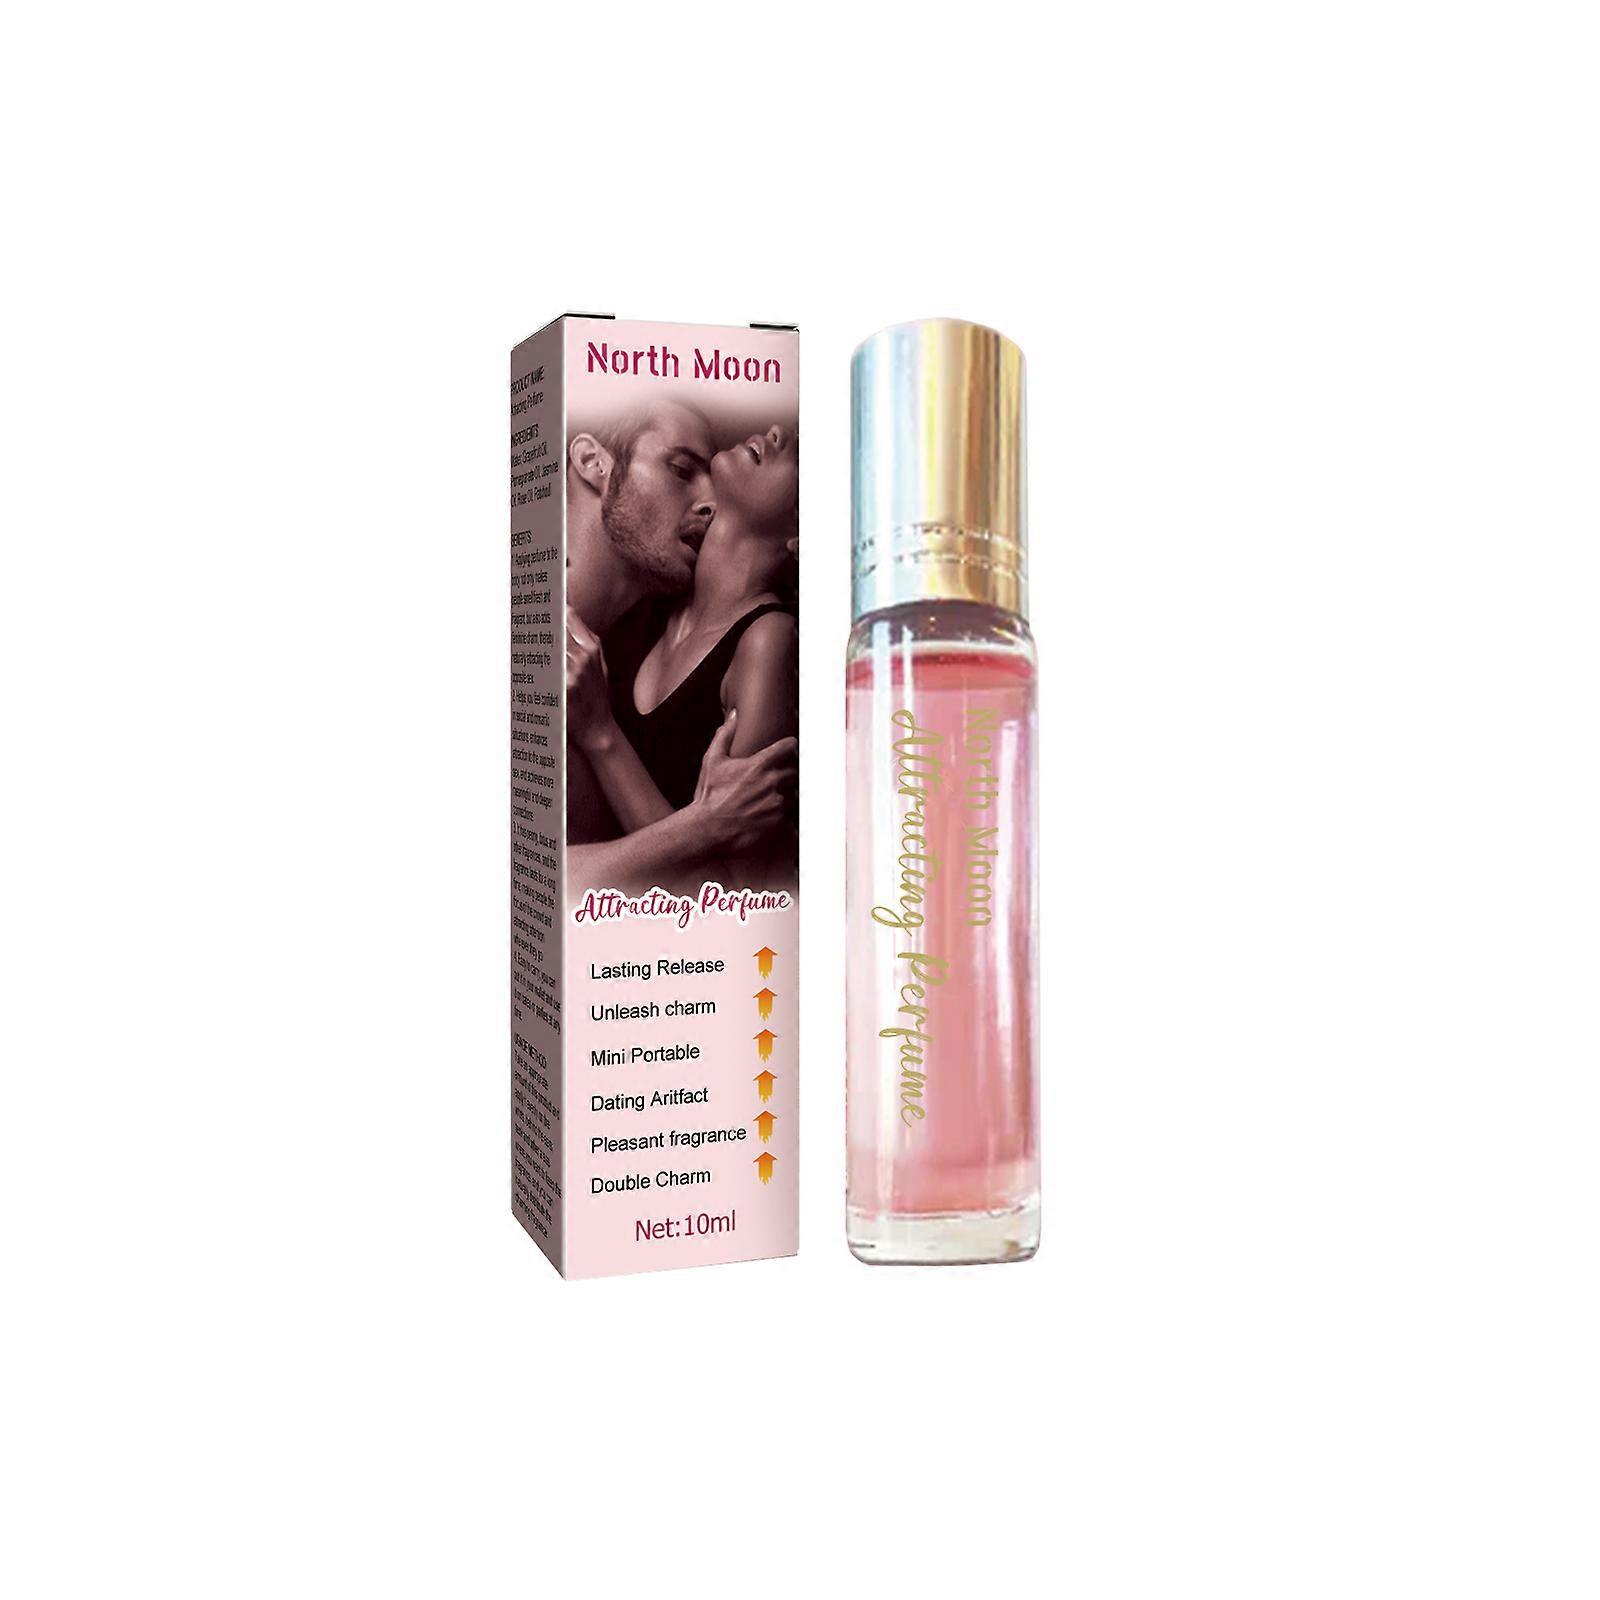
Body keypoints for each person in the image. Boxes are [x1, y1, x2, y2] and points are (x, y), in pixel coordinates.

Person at [562, 402, 796, 893]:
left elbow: (740, 887)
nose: (707, 503)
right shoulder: (633, 629)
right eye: (682, 470)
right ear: (590, 463)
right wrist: (707, 823)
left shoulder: (762, 639)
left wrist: (602, 734)